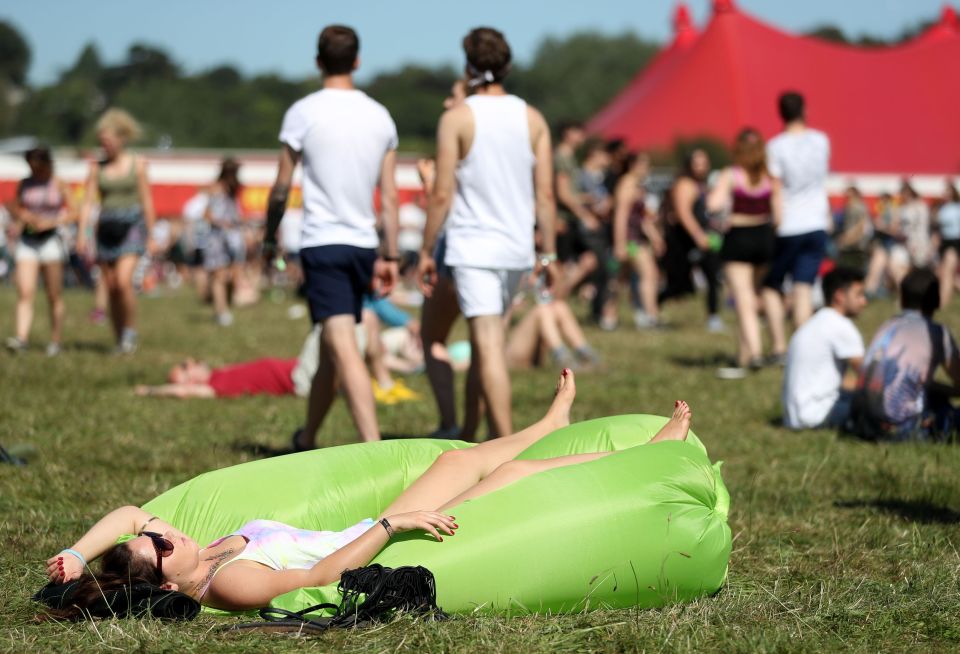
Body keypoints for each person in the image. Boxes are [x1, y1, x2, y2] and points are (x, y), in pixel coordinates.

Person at [46, 371, 694, 613]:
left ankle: (546, 426)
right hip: (379, 547)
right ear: (164, 585)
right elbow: (321, 576)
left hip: (365, 525)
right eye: (159, 545)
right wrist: (393, 527)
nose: (162, 531)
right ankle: (650, 453)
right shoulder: (230, 584)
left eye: (155, 535)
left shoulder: (207, 550)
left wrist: (77, 554)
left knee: (452, 457)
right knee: (510, 480)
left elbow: (130, 511)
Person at [263, 25, 400, 448]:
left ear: (318, 61)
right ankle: (308, 437)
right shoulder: (380, 116)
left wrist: (269, 237)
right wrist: (392, 255)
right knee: (331, 348)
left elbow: (282, 186)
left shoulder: (303, 111)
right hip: (363, 245)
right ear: (357, 61)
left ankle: (373, 448)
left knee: (343, 344)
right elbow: (391, 196)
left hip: (323, 244)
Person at [418, 27, 558, 439]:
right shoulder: (533, 119)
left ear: (468, 66)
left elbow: (441, 194)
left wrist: (426, 250)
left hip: (473, 247)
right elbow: (546, 194)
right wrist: (548, 255)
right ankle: (471, 434)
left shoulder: (457, 118)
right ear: (507, 66)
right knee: (485, 346)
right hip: (515, 250)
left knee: (489, 346)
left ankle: (505, 447)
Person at [418, 80, 483, 440]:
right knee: (485, 343)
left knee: (433, 337)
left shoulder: (455, 136)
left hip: (455, 249)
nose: (447, 101)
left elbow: (446, 201)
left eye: (453, 94)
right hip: (495, 251)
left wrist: (429, 185)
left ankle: (449, 425)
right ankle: (474, 429)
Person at [77, 109, 156, 354]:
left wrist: (152, 235)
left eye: (109, 141)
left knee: (123, 282)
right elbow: (88, 203)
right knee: (110, 287)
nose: (105, 146)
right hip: (106, 227)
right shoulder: (96, 168)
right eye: (102, 142)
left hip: (131, 226)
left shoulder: (138, 165)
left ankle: (130, 331)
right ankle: (119, 337)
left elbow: (147, 201)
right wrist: (83, 233)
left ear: (121, 139)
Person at [849, 269, 960, 442]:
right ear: (937, 300)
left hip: (861, 423)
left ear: (902, 299)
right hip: (899, 429)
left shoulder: (888, 326)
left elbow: (904, 379)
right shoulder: (938, 333)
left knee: (935, 397)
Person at [762, 91, 831, 361]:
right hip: (817, 221)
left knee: (771, 286)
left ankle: (779, 346)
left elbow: (776, 188)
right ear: (805, 109)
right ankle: (802, 350)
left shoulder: (776, 146)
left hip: (789, 223)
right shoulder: (820, 141)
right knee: (803, 287)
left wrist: (775, 222)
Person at [707, 129, 779, 375]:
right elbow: (779, 216)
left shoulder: (732, 175)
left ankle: (756, 353)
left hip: (738, 237)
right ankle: (743, 357)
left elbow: (713, 204)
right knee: (752, 296)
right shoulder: (770, 177)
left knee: (744, 299)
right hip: (764, 238)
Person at [6, 146, 77, 356]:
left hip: (51, 240)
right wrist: (23, 218)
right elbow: (15, 206)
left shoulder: (59, 183)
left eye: (38, 167)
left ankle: (55, 340)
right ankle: (21, 338)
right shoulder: (25, 183)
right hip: (28, 240)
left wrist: (52, 221)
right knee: (25, 292)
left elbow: (75, 211)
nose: (35, 171)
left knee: (53, 294)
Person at [781, 267, 867, 430]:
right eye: (859, 295)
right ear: (840, 296)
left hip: (795, 416)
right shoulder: (840, 325)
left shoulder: (815, 322)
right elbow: (869, 376)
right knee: (881, 409)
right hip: (817, 415)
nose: (864, 302)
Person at [660, 148, 724, 332]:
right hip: (685, 241)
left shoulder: (701, 185)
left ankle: (713, 317)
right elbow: (683, 213)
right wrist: (698, 236)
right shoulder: (684, 184)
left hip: (704, 238)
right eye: (697, 163)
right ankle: (654, 303)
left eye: (704, 162)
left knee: (713, 277)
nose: (701, 167)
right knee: (681, 285)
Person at [611, 152, 663, 329]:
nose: (648, 169)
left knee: (619, 280)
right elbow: (621, 215)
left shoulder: (638, 186)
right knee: (649, 274)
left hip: (636, 238)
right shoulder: (627, 184)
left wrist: (655, 237)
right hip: (630, 240)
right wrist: (619, 244)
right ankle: (651, 317)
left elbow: (642, 218)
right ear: (633, 165)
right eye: (645, 164)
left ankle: (609, 317)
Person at [202, 158, 246, 327]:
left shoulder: (232, 191)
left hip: (232, 238)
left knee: (232, 275)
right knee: (219, 275)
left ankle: (224, 307)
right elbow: (207, 215)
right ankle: (221, 311)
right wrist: (223, 223)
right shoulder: (216, 188)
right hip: (216, 239)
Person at [833, 186, 872, 272]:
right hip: (851, 239)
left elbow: (861, 225)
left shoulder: (858, 206)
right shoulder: (850, 206)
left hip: (856, 242)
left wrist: (847, 238)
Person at [935, 179, 960, 307]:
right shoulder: (941, 208)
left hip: (955, 242)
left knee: (948, 271)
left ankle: (943, 302)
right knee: (945, 273)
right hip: (945, 243)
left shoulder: (957, 208)